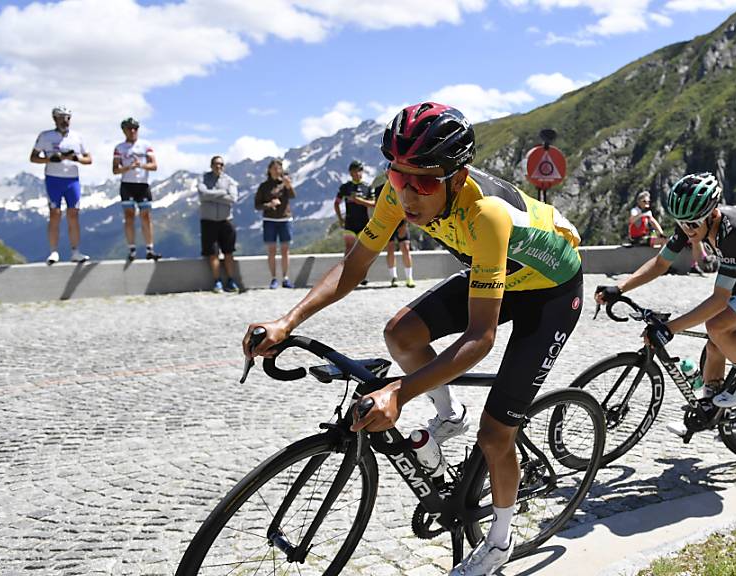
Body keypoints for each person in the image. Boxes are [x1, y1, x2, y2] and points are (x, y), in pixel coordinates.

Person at [246, 102, 584, 576]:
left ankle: (500, 542)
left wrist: (400, 393)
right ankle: (451, 415)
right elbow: (356, 263)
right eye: (399, 177)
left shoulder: (486, 214)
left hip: (550, 294)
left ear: (456, 176)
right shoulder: (398, 190)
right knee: (400, 333)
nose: (407, 194)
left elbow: (479, 339)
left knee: (496, 435)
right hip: (502, 274)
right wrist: (288, 320)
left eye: (422, 181)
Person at [594, 172, 736, 414]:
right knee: (715, 344)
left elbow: (718, 299)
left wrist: (669, 328)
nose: (687, 230)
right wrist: (620, 287)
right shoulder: (691, 221)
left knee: (717, 325)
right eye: (682, 223)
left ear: (712, 214)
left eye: (693, 224)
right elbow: (661, 264)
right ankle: (710, 406)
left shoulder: (732, 233)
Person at [30, 105, 92, 264]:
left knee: (73, 214)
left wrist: (75, 158)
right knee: (55, 214)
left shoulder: (77, 137)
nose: (65, 121)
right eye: (62, 117)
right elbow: (33, 157)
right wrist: (50, 159)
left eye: (68, 118)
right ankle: (53, 252)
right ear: (55, 119)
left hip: (72, 179)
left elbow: (89, 159)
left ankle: (76, 252)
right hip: (53, 178)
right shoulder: (45, 136)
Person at [112, 117, 160, 261]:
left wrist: (141, 165)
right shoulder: (119, 148)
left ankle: (149, 249)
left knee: (146, 216)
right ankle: (132, 249)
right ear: (124, 131)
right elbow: (115, 169)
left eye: (135, 128)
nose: (133, 131)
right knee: (129, 217)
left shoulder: (146, 145)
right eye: (129, 128)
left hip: (142, 185)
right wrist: (128, 167)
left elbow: (154, 166)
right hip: (127, 185)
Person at [198, 156, 239, 293]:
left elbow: (233, 198)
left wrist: (211, 196)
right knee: (212, 254)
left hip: (226, 221)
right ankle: (217, 282)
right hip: (208, 222)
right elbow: (202, 195)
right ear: (211, 165)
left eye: (221, 164)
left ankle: (231, 281)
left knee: (229, 253)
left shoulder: (229, 180)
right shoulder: (203, 178)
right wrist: (222, 193)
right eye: (216, 164)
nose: (218, 167)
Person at [255, 159, 296, 289]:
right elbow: (257, 205)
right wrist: (269, 205)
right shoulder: (264, 186)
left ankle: (285, 278)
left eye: (279, 168)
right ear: (269, 170)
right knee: (272, 250)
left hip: (285, 219)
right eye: (274, 168)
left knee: (285, 250)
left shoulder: (285, 183)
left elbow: (293, 196)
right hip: (270, 220)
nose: (277, 171)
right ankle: (273, 278)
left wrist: (289, 186)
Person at [373, 182, 415, 287]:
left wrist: (405, 224)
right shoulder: (379, 188)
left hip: (402, 222)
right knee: (390, 249)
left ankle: (409, 277)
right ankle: (394, 277)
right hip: (388, 223)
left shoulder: (403, 185)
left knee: (405, 248)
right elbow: (378, 206)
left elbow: (408, 204)